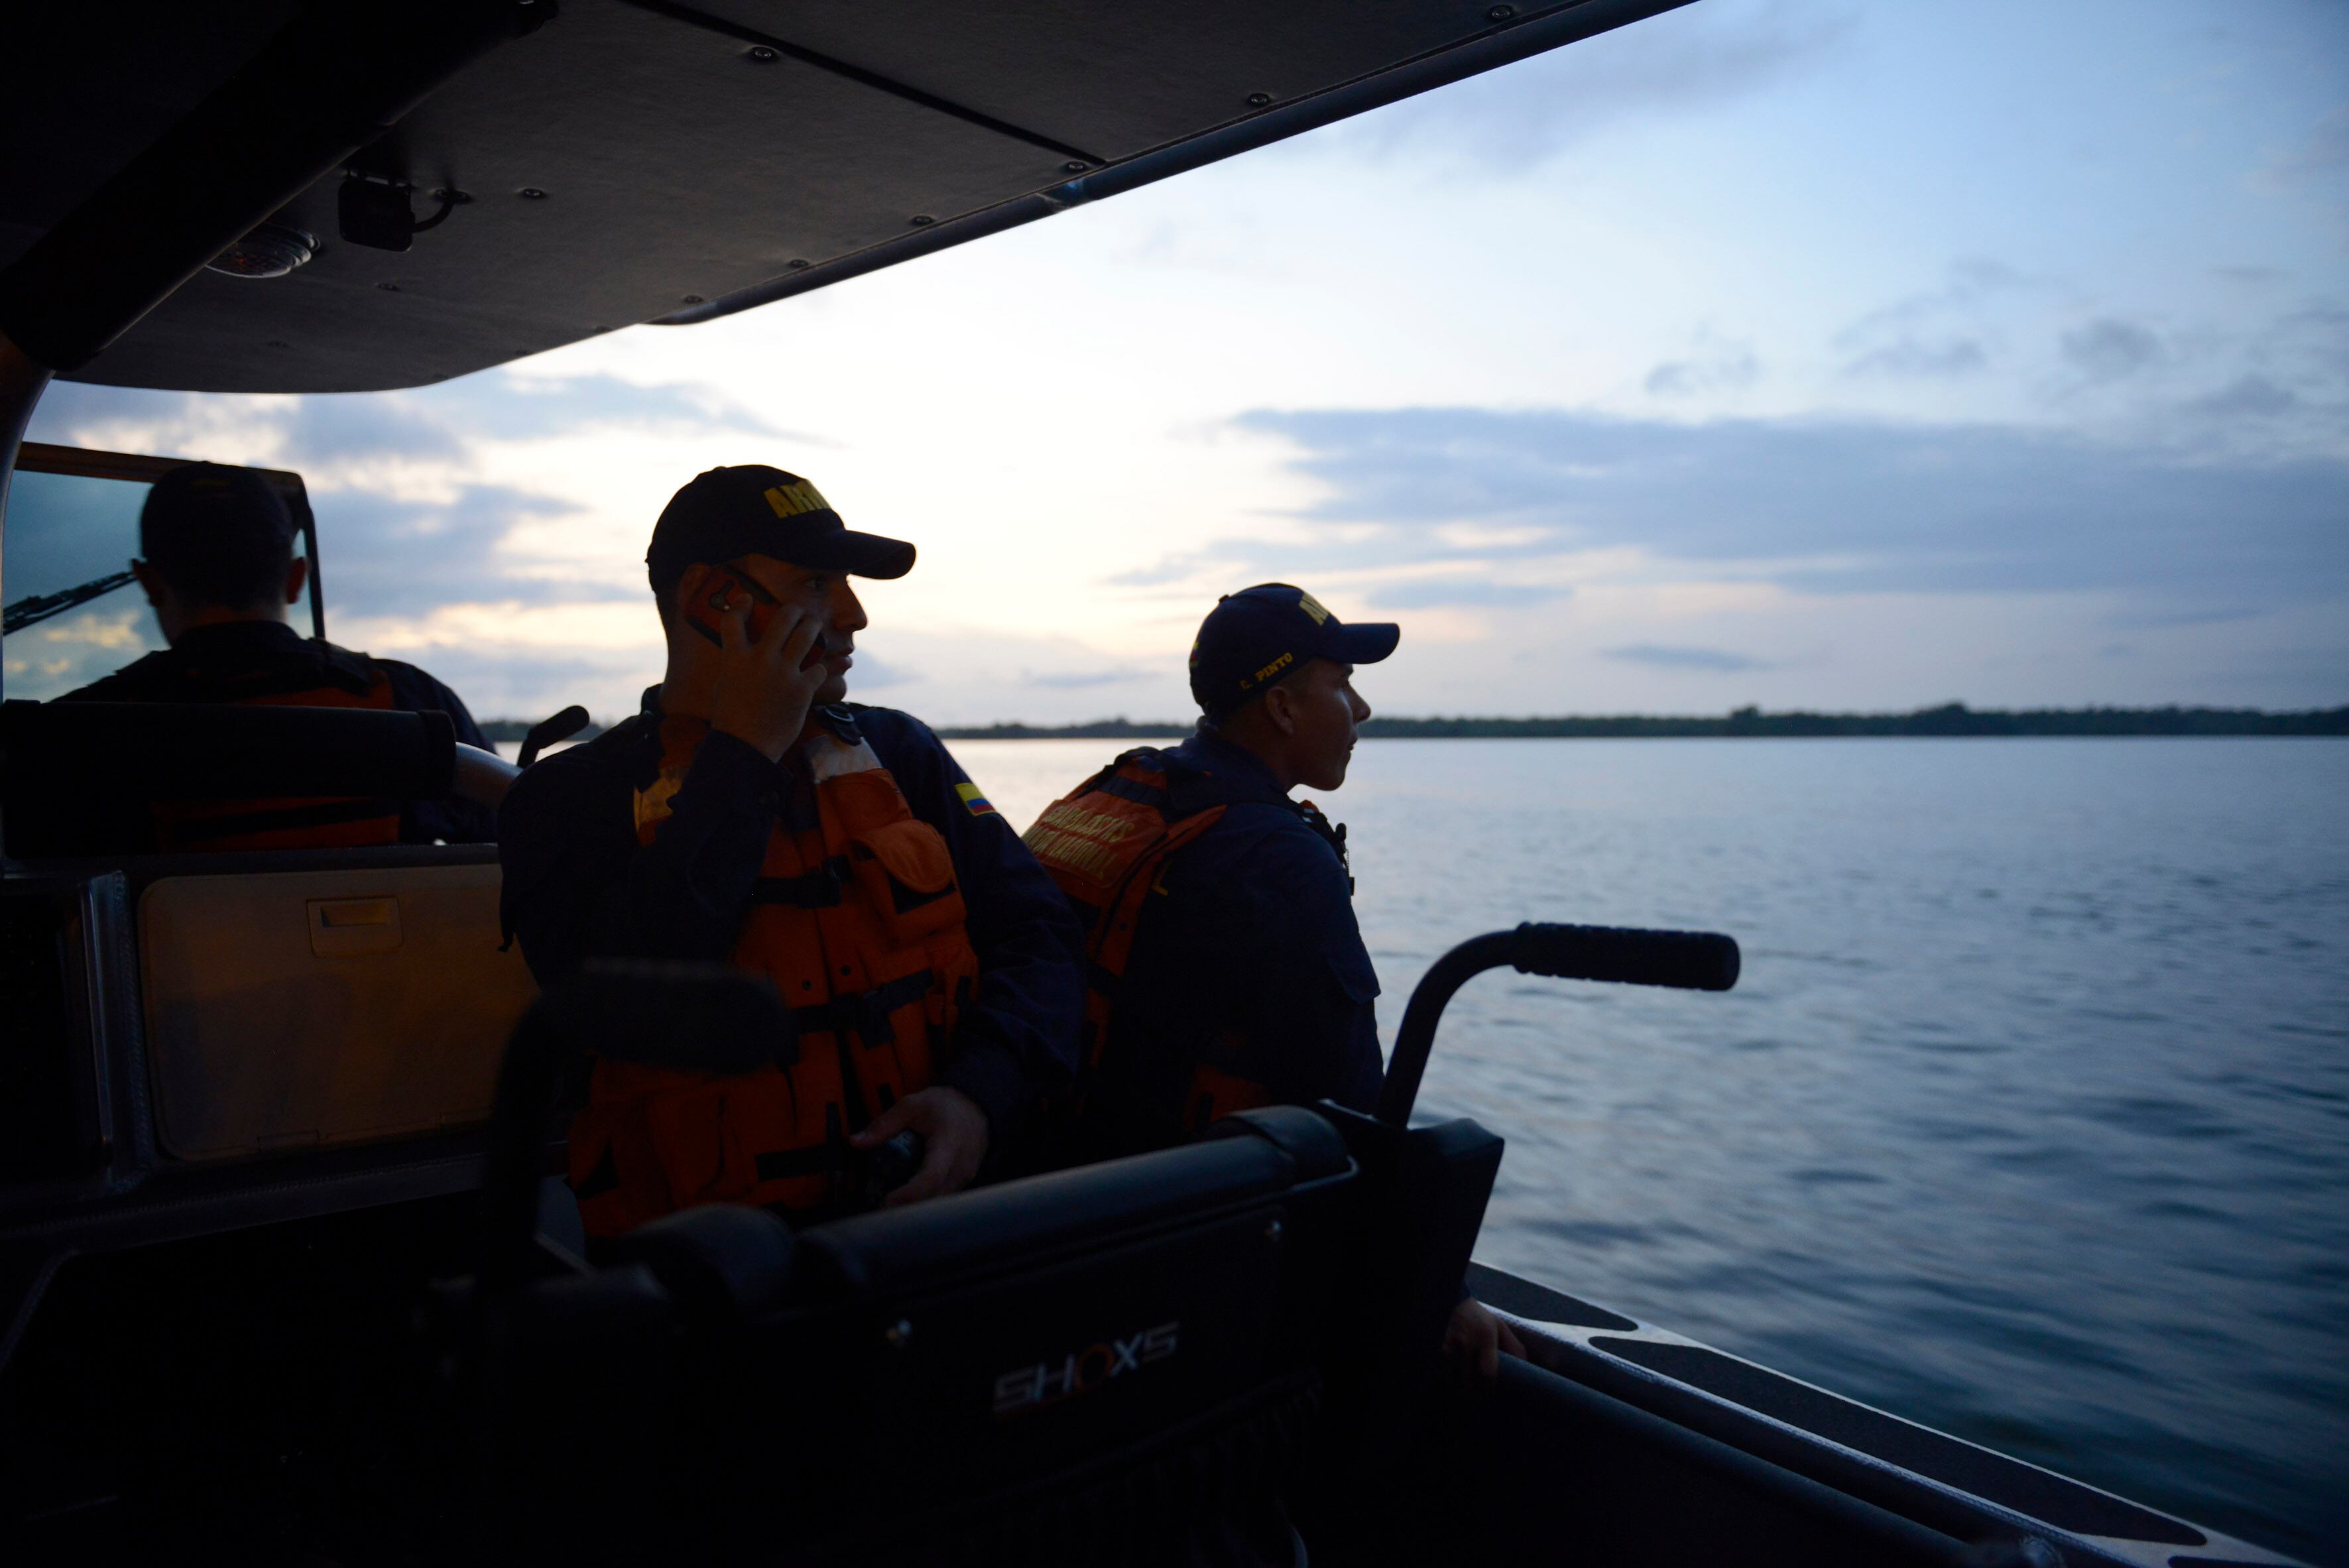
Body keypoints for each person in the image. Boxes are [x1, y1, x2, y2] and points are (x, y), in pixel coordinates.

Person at [497, 465, 1083, 1235]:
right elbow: (629, 1006)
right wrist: (744, 752)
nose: (855, 614)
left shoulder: (900, 752)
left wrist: (977, 1097)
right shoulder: (566, 798)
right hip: (713, 1275)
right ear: (717, 600)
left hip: (937, 1230)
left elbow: (1040, 936)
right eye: (816, 583)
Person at [1024, 582, 1524, 1382]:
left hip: (1057, 1200)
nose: (1361, 709)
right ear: (1285, 708)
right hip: (1195, 1250)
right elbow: (1350, 1104)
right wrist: (1443, 1290)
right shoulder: (1276, 858)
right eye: (1341, 684)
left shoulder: (1127, 787)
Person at [59, 461, 497, 850]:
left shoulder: (82, 733)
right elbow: (516, 832)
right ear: (296, 578)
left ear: (150, 581)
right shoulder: (411, 702)